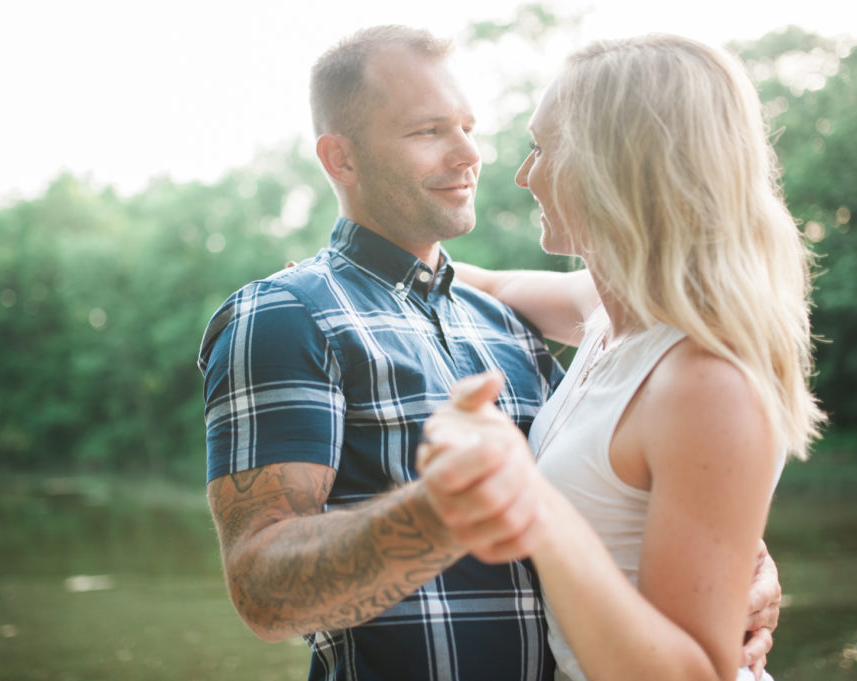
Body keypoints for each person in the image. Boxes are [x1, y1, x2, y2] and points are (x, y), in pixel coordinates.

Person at [198, 26, 781, 681]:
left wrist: (736, 565)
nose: (473, 155)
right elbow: (263, 595)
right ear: (341, 159)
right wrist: (449, 509)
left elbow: (639, 490)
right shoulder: (289, 314)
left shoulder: (510, 325)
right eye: (428, 131)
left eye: (469, 126)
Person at [417, 34, 825, 681]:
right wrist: (347, 273)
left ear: (612, 164)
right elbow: (480, 280)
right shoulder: (609, 312)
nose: (524, 174)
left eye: (541, 147)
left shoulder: (704, 380)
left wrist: (532, 507)